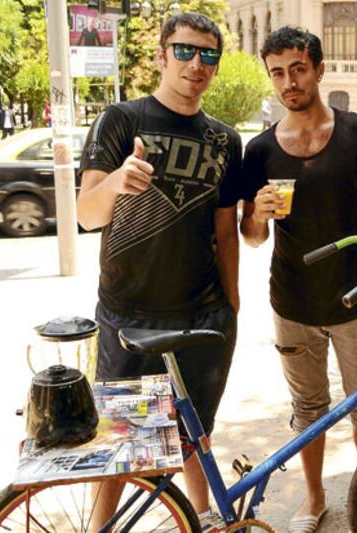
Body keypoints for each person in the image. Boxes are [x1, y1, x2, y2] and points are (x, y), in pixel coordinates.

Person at [240, 26, 357, 533]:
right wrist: (258, 216)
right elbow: (252, 237)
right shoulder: (260, 151)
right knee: (308, 408)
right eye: (277, 73)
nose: (288, 82)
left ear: (318, 69)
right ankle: (313, 496)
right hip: (292, 302)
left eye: (298, 69)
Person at [76, 12, 241, 529]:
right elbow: (86, 213)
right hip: (128, 317)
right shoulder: (120, 121)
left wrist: (233, 307)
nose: (197, 64)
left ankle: (202, 517)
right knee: (118, 448)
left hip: (203, 316)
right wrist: (117, 181)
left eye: (208, 54)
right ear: (161, 56)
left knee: (195, 434)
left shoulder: (225, 139)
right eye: (185, 50)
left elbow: (225, 230)